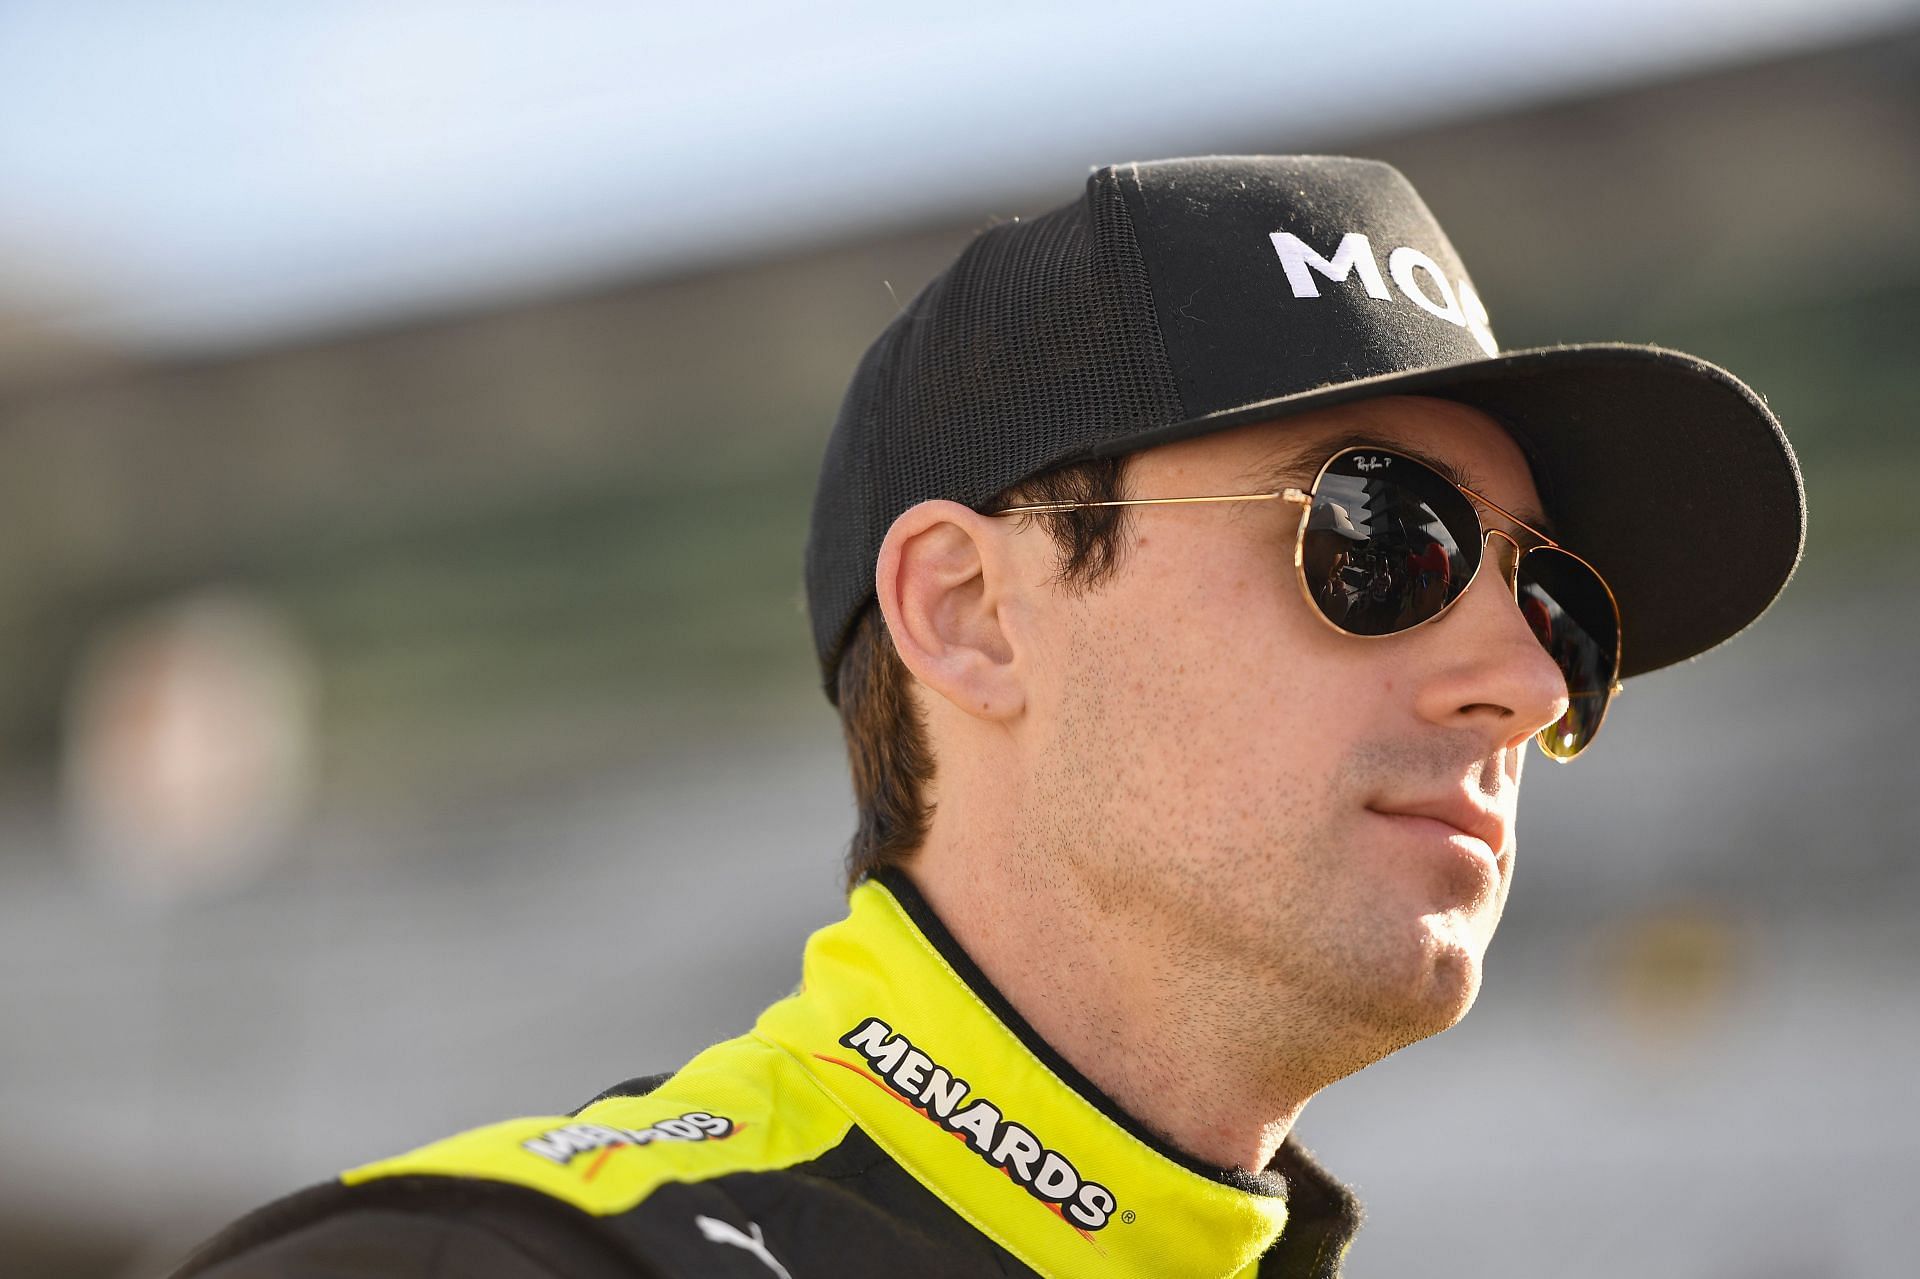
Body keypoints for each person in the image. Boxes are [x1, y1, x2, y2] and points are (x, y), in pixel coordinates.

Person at [167, 155, 1804, 1278]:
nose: (1520, 682)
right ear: (969, 611)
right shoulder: (493, 1268)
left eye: (1556, 605)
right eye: (1383, 535)